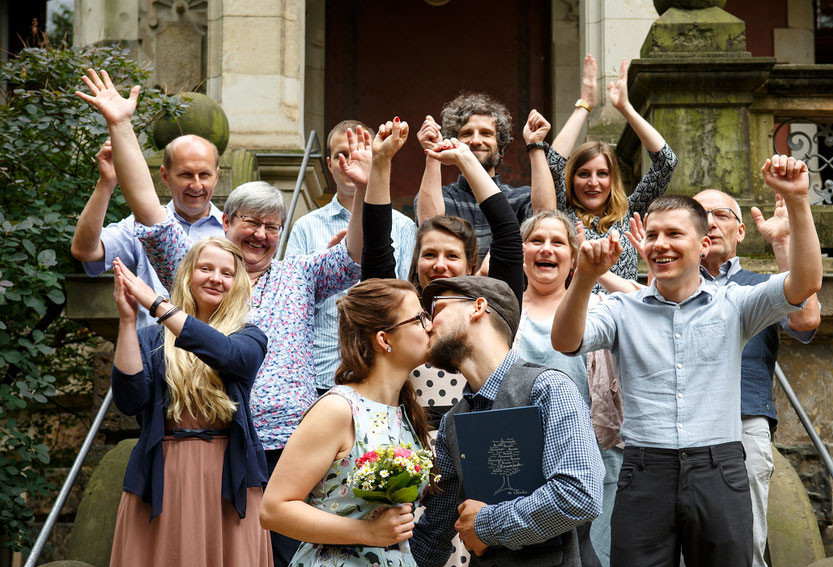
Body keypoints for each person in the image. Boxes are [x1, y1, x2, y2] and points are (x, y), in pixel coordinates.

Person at [76, 68, 363, 567]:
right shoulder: (200, 271)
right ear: (223, 223)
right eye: (249, 222)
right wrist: (121, 127)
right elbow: (146, 208)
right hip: (219, 444)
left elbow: (358, 255)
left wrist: (363, 188)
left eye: (272, 226)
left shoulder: (299, 272)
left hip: (289, 446)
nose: (260, 234)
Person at [551, 155, 823, 567]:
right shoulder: (622, 309)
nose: (661, 244)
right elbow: (566, 340)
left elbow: (804, 284)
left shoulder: (736, 304)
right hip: (644, 473)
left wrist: (799, 201)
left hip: (719, 471)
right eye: (652, 235)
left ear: (703, 243)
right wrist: (585, 279)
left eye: (675, 234)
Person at [360, 118, 524, 567]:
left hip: (471, 473)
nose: (438, 263)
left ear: (473, 266)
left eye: (452, 255)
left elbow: (508, 234)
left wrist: (467, 162)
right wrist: (382, 164)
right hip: (405, 470)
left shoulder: (482, 317)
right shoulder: (400, 316)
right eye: (428, 255)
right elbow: (376, 244)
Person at [413, 275, 607, 567]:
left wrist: (486, 524)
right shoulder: (452, 423)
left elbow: (580, 494)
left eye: (437, 309)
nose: (428, 324)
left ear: (478, 307)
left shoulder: (549, 387)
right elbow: (435, 530)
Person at [666, 189, 821, 567]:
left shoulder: (758, 284)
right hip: (679, 428)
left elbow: (807, 319)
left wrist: (780, 244)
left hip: (742, 423)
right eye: (701, 215)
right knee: (679, 548)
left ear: (739, 230)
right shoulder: (666, 282)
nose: (710, 222)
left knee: (745, 543)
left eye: (721, 215)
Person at [105, 238, 273, 567]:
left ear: (240, 283)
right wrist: (129, 322)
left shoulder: (250, 337)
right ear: (188, 274)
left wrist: (157, 306)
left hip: (227, 479)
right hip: (165, 475)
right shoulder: (151, 339)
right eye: (206, 268)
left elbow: (228, 357)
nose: (215, 278)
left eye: (227, 272)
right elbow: (130, 401)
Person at [261, 278, 434, 567]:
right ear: (384, 339)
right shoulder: (338, 410)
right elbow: (274, 509)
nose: (430, 325)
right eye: (418, 318)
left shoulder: (406, 413)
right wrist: (368, 534)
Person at [514, 211, 640, 567]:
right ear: (522, 252)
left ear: (572, 257)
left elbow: (650, 297)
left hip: (594, 462)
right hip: (520, 465)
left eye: (558, 243)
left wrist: (595, 273)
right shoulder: (502, 310)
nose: (546, 249)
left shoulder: (600, 306)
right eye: (536, 241)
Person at [284, 119, 416, 396]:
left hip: (381, 369)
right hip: (322, 370)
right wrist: (329, 265)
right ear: (329, 163)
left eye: (360, 149)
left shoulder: (403, 226)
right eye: (341, 154)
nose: (351, 159)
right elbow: (294, 300)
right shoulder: (305, 226)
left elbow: (402, 294)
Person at [534, 56, 677, 291]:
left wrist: (625, 108)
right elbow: (552, 165)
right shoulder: (562, 214)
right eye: (583, 174)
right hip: (579, 315)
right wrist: (584, 105)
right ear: (572, 179)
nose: (593, 183)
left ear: (613, 179)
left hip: (624, 315)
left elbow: (666, 162)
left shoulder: (631, 213)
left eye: (602, 174)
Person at [71, 134, 225, 327]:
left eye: (204, 175)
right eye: (186, 175)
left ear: (216, 176)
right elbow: (84, 250)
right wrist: (106, 182)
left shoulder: (234, 230)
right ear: (165, 176)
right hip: (154, 351)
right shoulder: (142, 227)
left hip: (216, 351)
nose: (196, 185)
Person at [413, 93, 554, 263]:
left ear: (501, 148)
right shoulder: (443, 197)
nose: (476, 140)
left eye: (486, 133)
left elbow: (546, 218)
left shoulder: (520, 198)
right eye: (466, 134)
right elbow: (429, 228)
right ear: (453, 143)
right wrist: (434, 152)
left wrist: (535, 144)